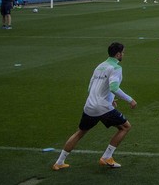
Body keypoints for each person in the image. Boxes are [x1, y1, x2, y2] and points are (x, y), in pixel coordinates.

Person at [52, 42, 137, 170]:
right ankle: (107, 157)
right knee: (125, 127)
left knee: (80, 133)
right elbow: (114, 87)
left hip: (90, 105)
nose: (123, 54)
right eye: (123, 52)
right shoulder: (116, 68)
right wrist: (130, 99)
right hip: (101, 106)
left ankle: (59, 162)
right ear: (118, 54)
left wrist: (111, 100)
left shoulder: (100, 66)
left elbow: (90, 87)